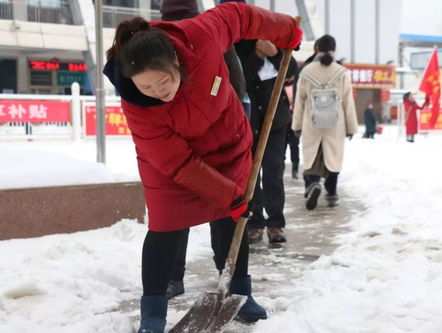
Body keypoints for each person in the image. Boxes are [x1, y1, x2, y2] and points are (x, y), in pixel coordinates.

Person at [103, 3, 302, 332]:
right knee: (165, 227)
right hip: (171, 166)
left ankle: (240, 292)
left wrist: (286, 32)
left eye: (163, 82)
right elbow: (178, 162)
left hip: (228, 144)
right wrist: (228, 194)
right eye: (146, 88)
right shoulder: (137, 105)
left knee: (230, 219)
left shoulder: (203, 35)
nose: (158, 94)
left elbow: (242, 16)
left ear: (176, 61)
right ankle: (153, 310)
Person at [159, 0, 250, 302]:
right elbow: (237, 87)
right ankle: (230, 278)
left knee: (187, 211)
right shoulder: (206, 33)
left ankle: (179, 278)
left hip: (196, 144)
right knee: (221, 210)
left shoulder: (165, 39)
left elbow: (234, 86)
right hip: (199, 144)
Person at [234, 36, 298, 244]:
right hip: (248, 122)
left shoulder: (277, 45)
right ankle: (255, 223)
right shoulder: (239, 47)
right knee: (251, 176)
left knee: (274, 172)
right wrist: (256, 57)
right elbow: (240, 80)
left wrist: (274, 54)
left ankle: (275, 224)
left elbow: (291, 72)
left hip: (276, 123)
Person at [292, 34, 358, 210]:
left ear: (316, 49)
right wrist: (351, 127)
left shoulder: (306, 71)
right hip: (335, 123)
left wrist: (296, 126)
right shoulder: (342, 72)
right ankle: (331, 193)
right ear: (334, 50)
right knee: (333, 156)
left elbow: (299, 101)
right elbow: (348, 101)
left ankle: (312, 184)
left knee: (312, 155)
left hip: (311, 121)